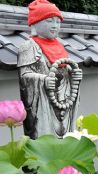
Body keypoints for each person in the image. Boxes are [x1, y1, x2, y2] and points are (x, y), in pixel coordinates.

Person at [18, 0, 83, 139]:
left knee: (66, 141)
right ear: (36, 23)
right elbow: (24, 76)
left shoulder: (60, 46)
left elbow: (64, 73)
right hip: (44, 108)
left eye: (58, 22)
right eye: (50, 21)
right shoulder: (29, 46)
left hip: (63, 101)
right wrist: (44, 79)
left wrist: (73, 75)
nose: (55, 26)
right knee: (46, 142)